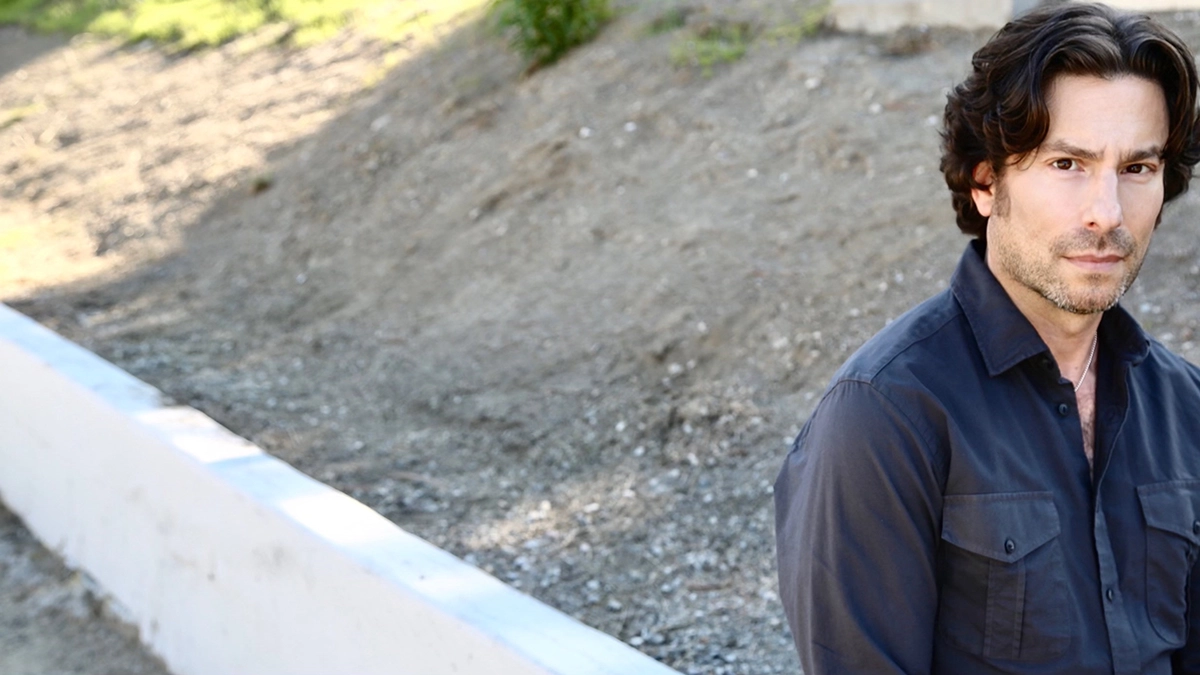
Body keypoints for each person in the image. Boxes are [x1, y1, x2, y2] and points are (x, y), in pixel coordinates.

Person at [774, 3, 1200, 674]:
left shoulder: (1186, 407)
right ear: (984, 181)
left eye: (1137, 169)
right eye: (1067, 163)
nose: (1107, 212)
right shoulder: (884, 414)